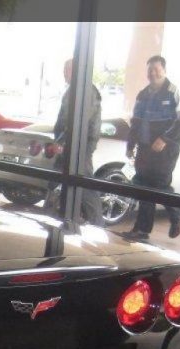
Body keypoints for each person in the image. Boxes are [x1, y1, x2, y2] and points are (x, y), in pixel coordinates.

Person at [123, 55, 180, 241]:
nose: (152, 73)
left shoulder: (174, 91)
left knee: (160, 185)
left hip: (165, 151)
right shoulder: (142, 95)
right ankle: (142, 230)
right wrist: (131, 145)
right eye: (149, 69)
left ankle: (177, 216)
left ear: (164, 70)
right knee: (143, 185)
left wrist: (165, 139)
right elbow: (135, 122)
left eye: (156, 69)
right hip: (144, 149)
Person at [53, 58, 104, 226]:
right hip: (68, 146)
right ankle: (61, 219)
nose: (64, 73)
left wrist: (62, 142)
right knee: (57, 182)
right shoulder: (72, 91)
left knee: (85, 187)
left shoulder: (87, 91)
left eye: (66, 70)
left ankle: (97, 225)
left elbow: (78, 122)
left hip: (78, 148)